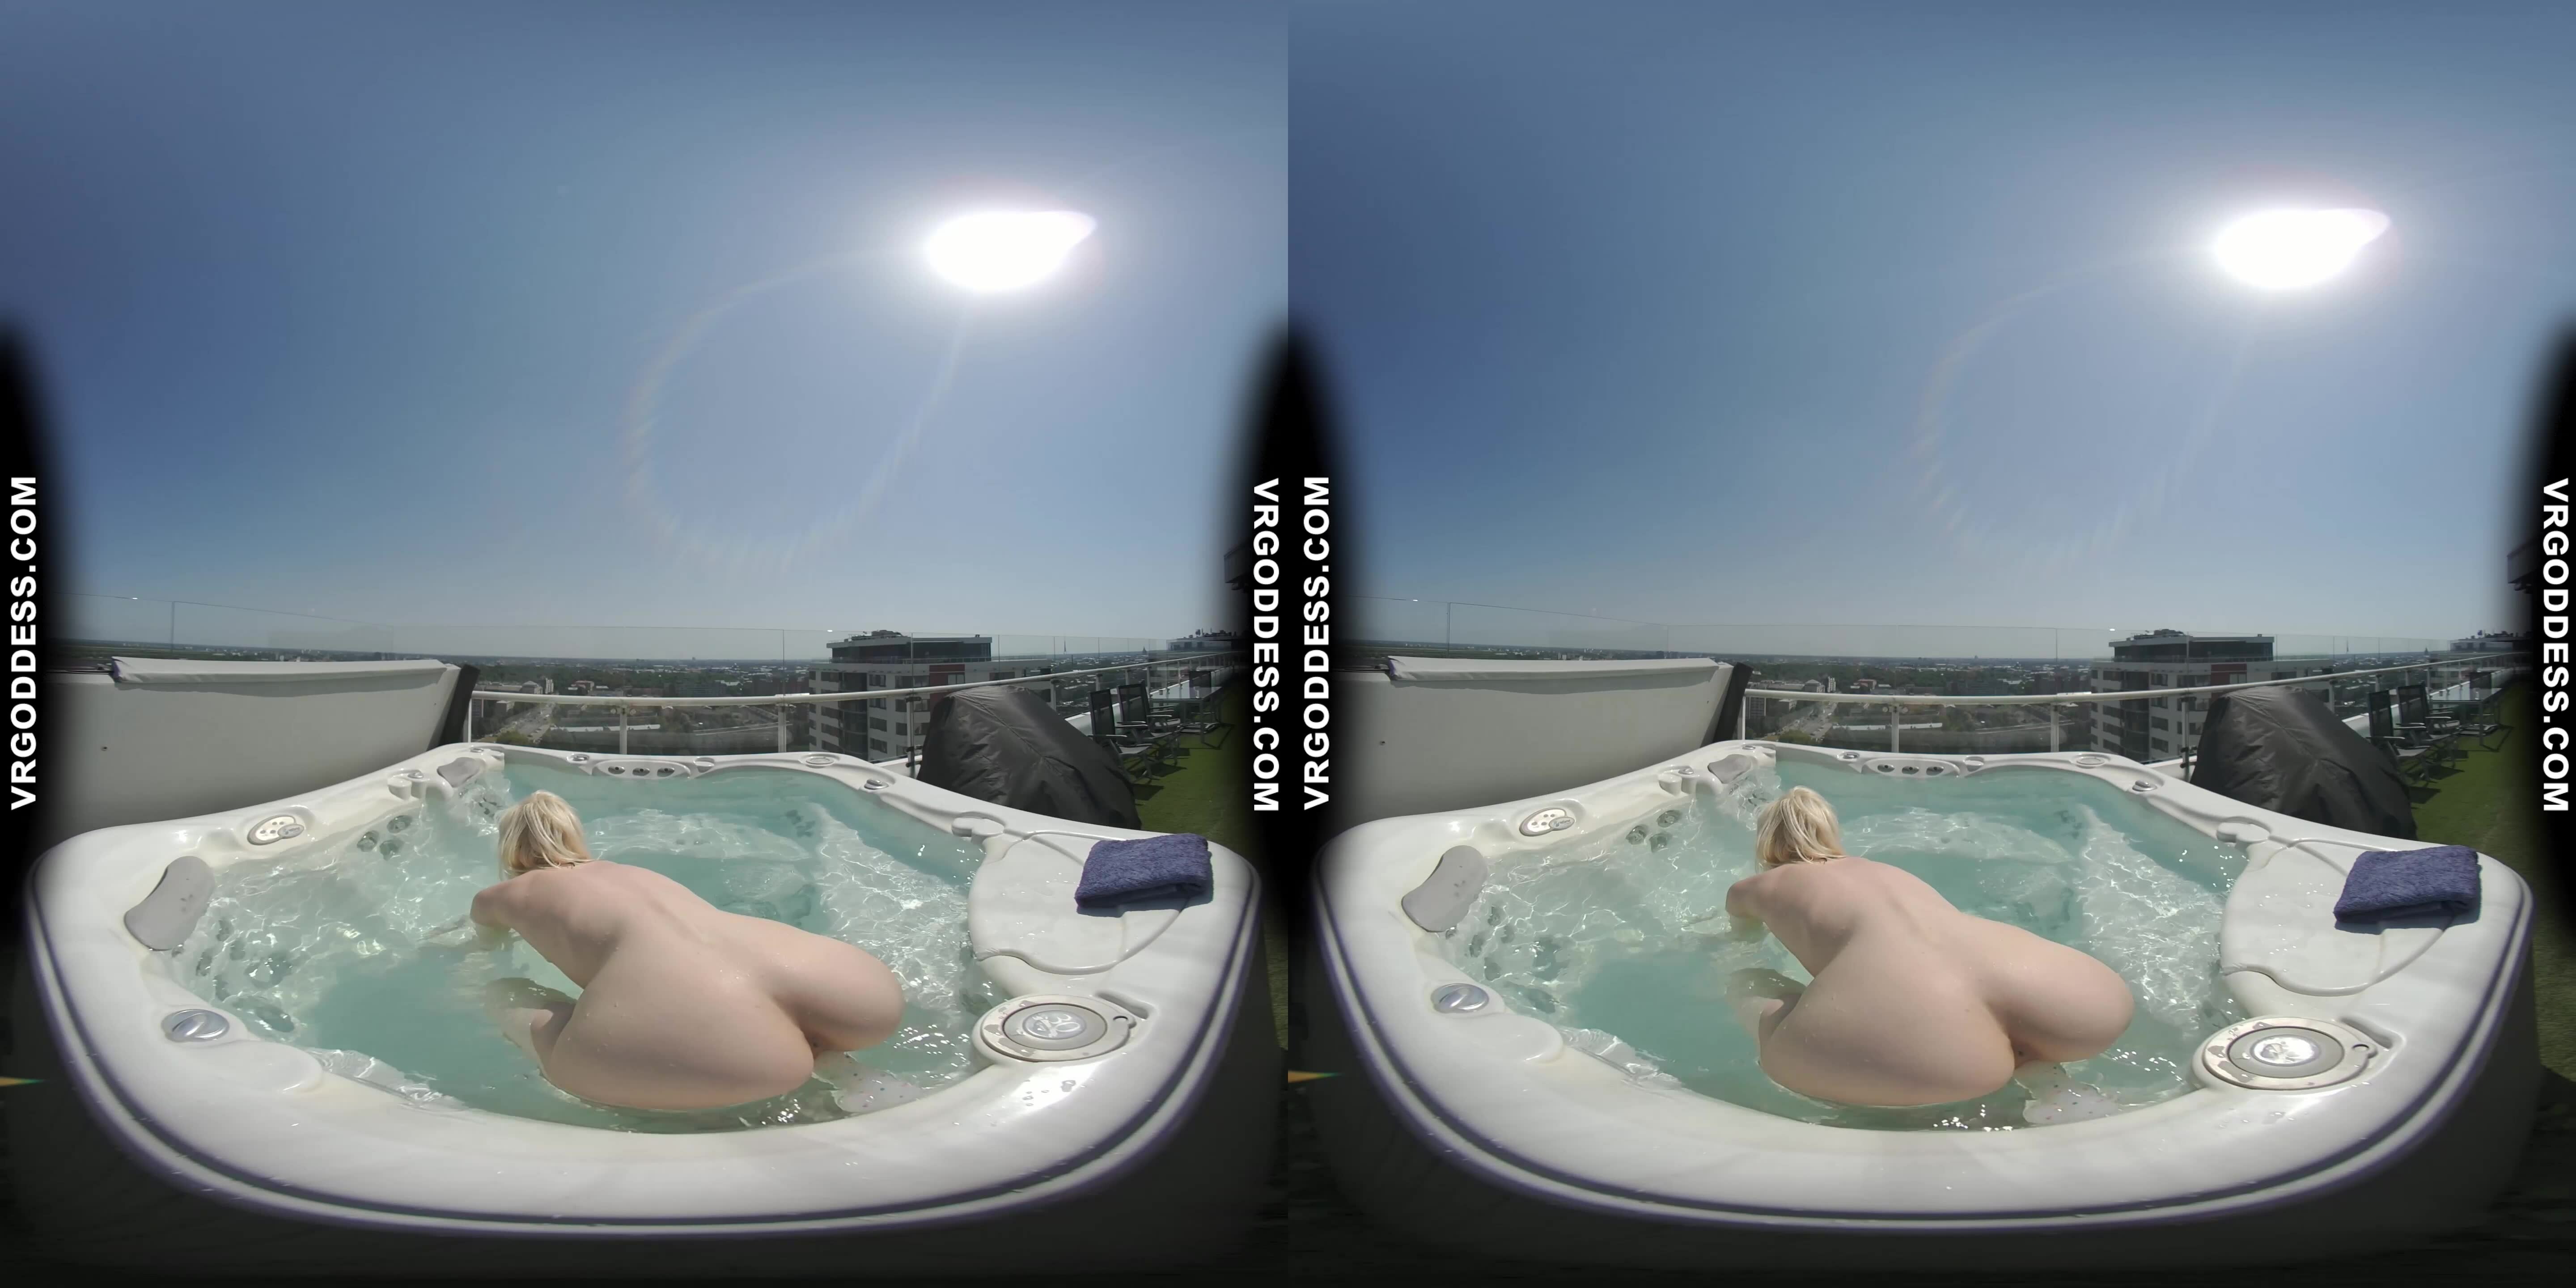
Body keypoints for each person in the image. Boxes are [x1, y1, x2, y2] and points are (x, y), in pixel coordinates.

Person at [429, 790, 906, 1112]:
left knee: (501, 991)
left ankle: (773, 1056)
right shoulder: (628, 872)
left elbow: (483, 948)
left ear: (509, 847)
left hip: (703, 1038)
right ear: (574, 836)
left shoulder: (501, 896)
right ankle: (839, 1066)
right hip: (844, 984)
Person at [1712, 786, 2133, 1110]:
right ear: (1829, 831)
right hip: (2068, 993)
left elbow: (1743, 941)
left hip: (1915, 1044)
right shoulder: (1881, 869)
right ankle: (2044, 1075)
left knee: (1744, 977)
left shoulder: (1752, 888)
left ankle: (2003, 1059)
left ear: (1765, 840)